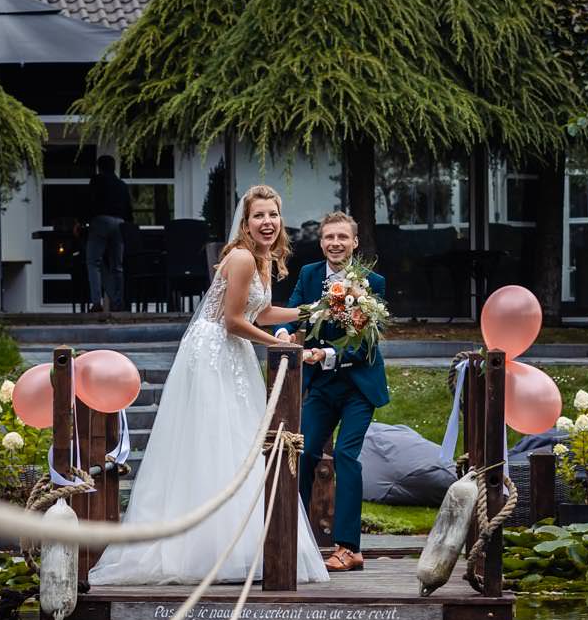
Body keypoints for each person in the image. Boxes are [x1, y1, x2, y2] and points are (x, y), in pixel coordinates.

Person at [89, 184, 331, 586]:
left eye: (273, 215)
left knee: (241, 443)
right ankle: (202, 549)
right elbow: (233, 320)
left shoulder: (264, 258)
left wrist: (310, 311)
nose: (267, 222)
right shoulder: (239, 258)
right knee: (217, 440)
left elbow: (263, 310)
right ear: (246, 222)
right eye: (259, 216)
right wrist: (282, 344)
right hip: (213, 352)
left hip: (234, 350)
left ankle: (241, 544)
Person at [284, 212, 390, 572]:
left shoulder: (372, 283)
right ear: (322, 241)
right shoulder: (310, 275)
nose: (335, 243)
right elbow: (295, 312)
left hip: (359, 385)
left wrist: (324, 353)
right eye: (329, 237)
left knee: (346, 455)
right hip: (322, 385)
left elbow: (363, 346)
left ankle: (349, 547)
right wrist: (285, 334)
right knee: (303, 453)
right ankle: (293, 538)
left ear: (355, 242)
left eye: (342, 237)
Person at [84, 155, 132, 318]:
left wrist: (83, 221)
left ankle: (97, 302)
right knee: (117, 266)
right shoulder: (121, 185)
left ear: (99, 167)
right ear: (114, 167)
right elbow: (129, 209)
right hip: (119, 223)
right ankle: (118, 303)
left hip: (100, 221)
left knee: (93, 263)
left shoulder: (96, 181)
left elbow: (89, 202)